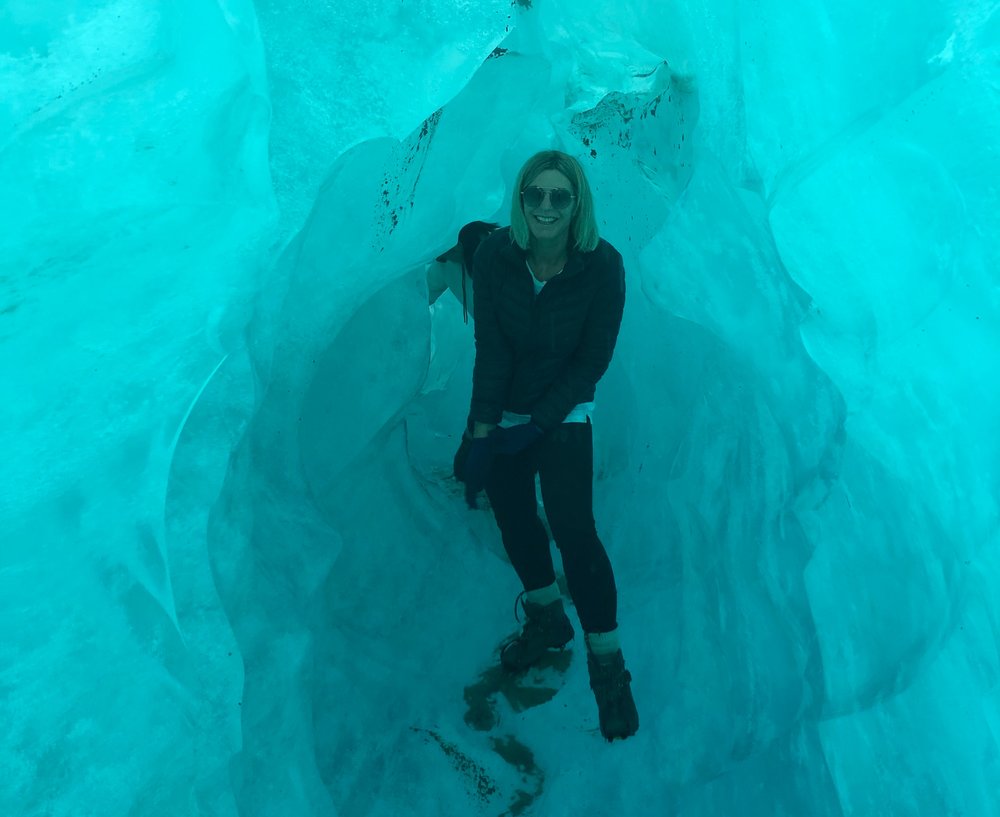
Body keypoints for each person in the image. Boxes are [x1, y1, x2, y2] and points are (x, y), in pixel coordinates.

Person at [458, 150, 638, 741]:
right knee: (512, 515)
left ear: (576, 203)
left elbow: (591, 362)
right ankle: (545, 618)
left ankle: (608, 668)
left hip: (563, 409)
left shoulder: (601, 267)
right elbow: (491, 349)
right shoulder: (494, 256)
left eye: (560, 196)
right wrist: (485, 430)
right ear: (521, 199)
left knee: (572, 525)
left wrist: (537, 423)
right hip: (507, 406)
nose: (546, 207)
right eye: (535, 194)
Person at [429, 221, 500, 322]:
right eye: (442, 256)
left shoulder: (506, 248)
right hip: (489, 333)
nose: (447, 258)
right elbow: (422, 296)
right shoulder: (446, 264)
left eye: (452, 251)